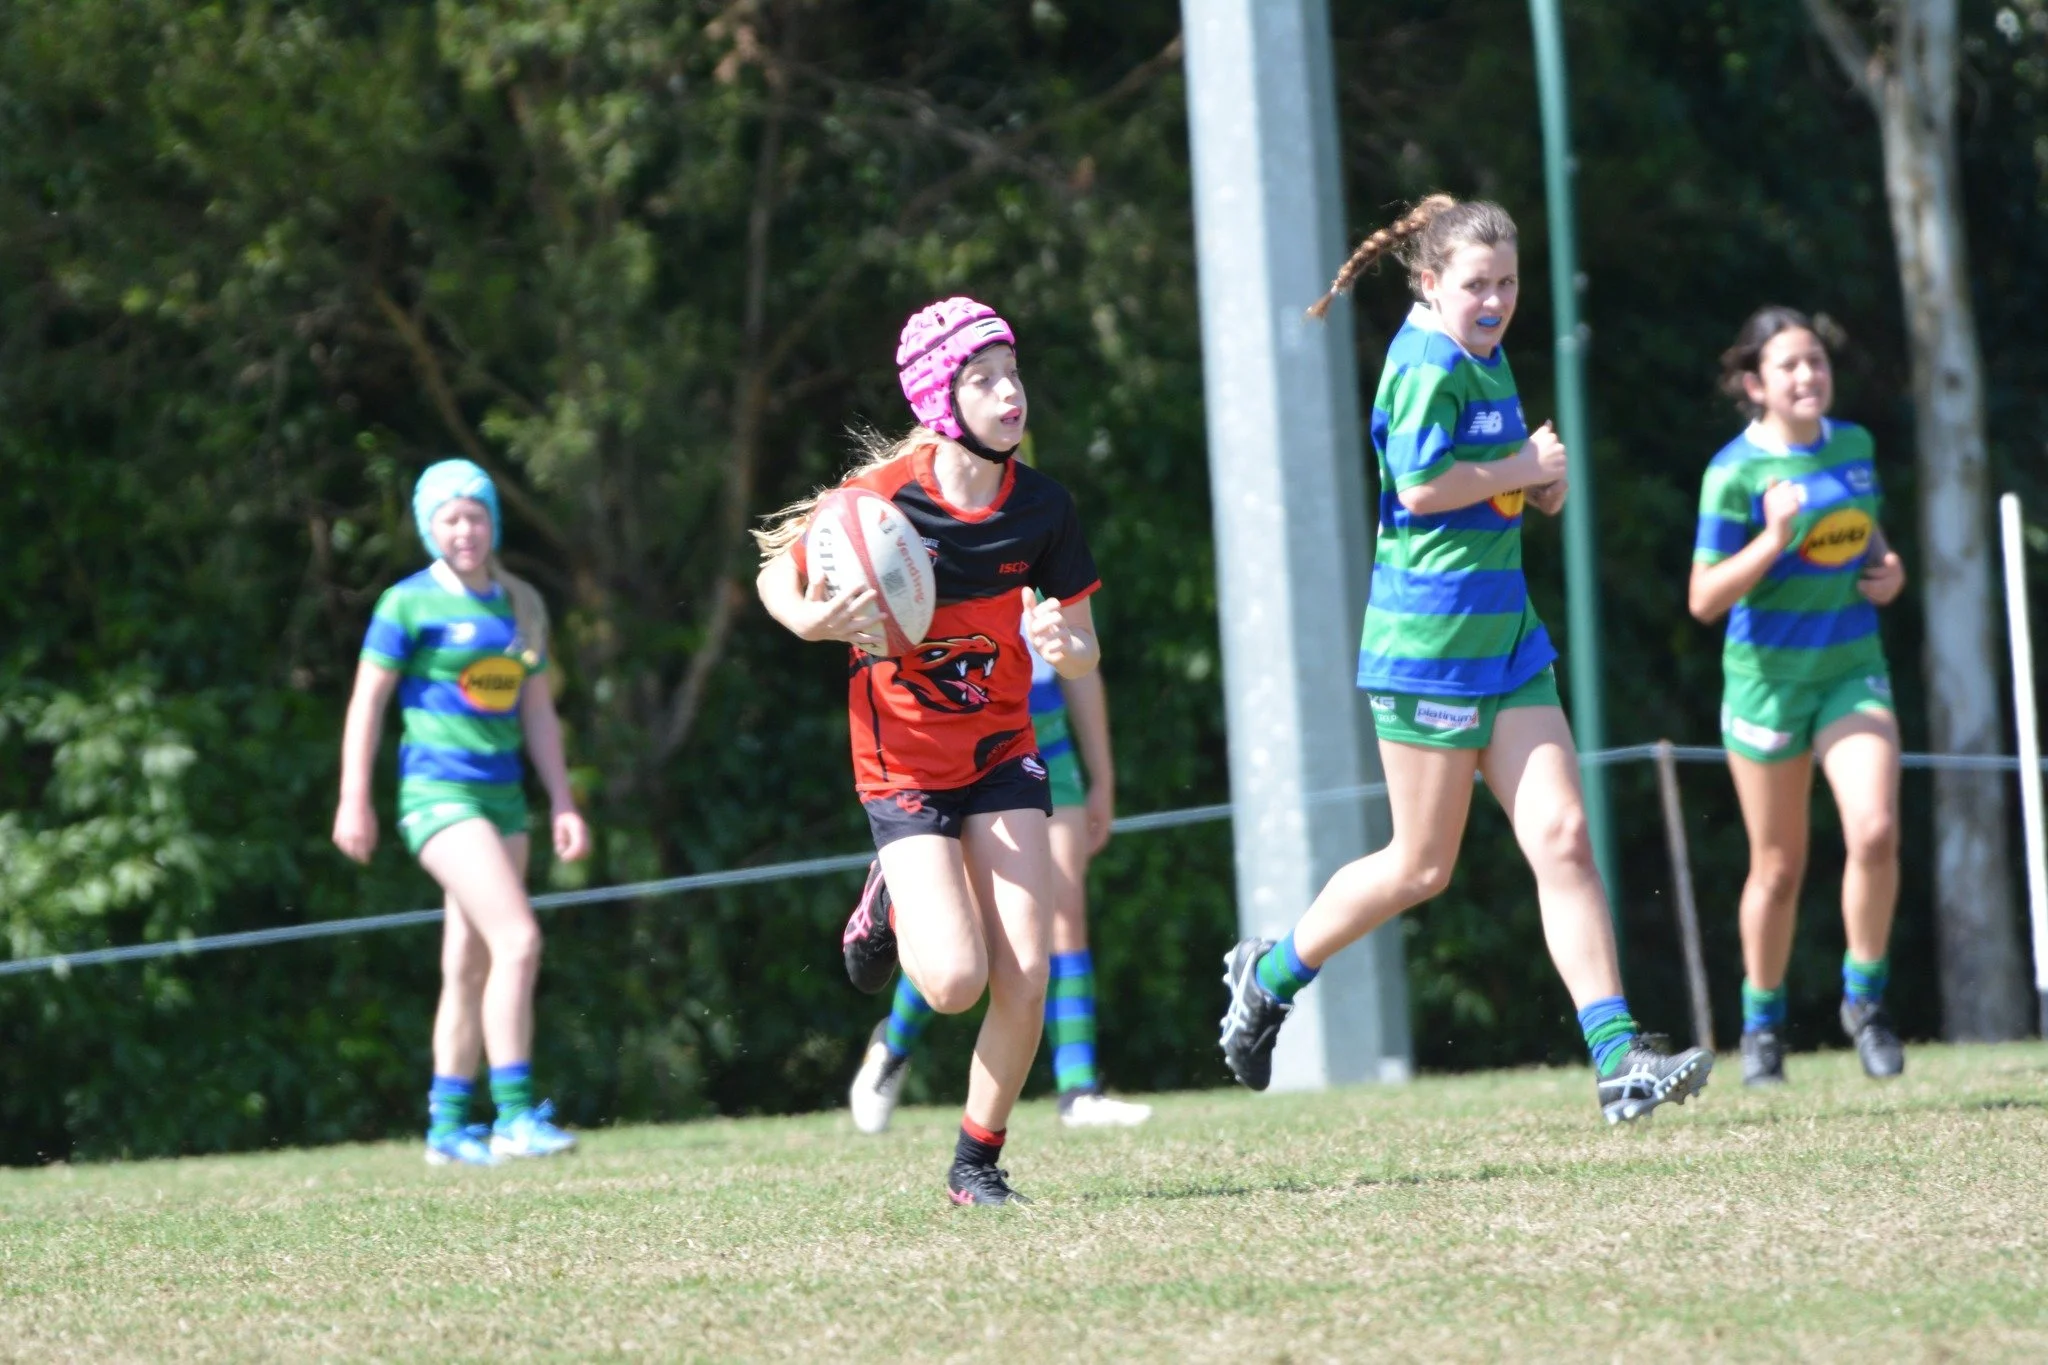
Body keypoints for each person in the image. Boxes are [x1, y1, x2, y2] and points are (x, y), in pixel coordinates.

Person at [1220, 194, 1713, 1124]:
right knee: (1420, 867)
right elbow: (1421, 484)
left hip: (1507, 643)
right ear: (1430, 281)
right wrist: (1522, 471)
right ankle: (1270, 971)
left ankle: (1618, 1060)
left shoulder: (1487, 359)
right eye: (1476, 284)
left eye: (1508, 282)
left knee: (1563, 837)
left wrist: (1538, 487)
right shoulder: (1422, 363)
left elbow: (1491, 491)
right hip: (1427, 654)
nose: (1494, 300)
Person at [754, 297, 1103, 1204]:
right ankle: (886, 890)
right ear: (942, 401)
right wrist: (808, 619)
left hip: (1000, 749)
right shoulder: (876, 504)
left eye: (1011, 372)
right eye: (981, 379)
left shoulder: (1045, 510)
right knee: (951, 982)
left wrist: (1069, 647)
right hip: (902, 761)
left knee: (1027, 970)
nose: (1007, 392)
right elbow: (772, 575)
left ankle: (974, 1164)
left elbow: (1085, 642)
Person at [333, 458, 590, 1166]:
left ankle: (447, 1129)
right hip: (437, 799)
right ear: (428, 527)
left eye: (475, 514)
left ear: (491, 523)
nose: (465, 528)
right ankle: (513, 1116)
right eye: (449, 516)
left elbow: (537, 711)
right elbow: (367, 703)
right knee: (520, 941)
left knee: (470, 961)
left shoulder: (517, 603)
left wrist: (563, 801)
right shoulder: (406, 604)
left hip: (504, 800)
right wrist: (354, 797)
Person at [1689, 307, 1907, 1086]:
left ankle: (1866, 1002)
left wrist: (1889, 568)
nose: (1809, 375)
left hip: (1850, 669)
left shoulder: (1853, 447)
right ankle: (1761, 1027)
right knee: (1778, 867)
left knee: (1875, 829)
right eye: (1789, 366)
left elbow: (1865, 535)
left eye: (1816, 360)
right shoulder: (1733, 473)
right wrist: (1773, 537)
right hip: (1768, 686)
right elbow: (1704, 598)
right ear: (1756, 385)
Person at [846, 618, 1152, 1133]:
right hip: (966, 739)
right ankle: (892, 1048)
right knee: (964, 929)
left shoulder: (1044, 545)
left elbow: (1081, 666)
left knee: (1064, 915)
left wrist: (1103, 777)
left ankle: (1078, 1088)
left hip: (1046, 736)